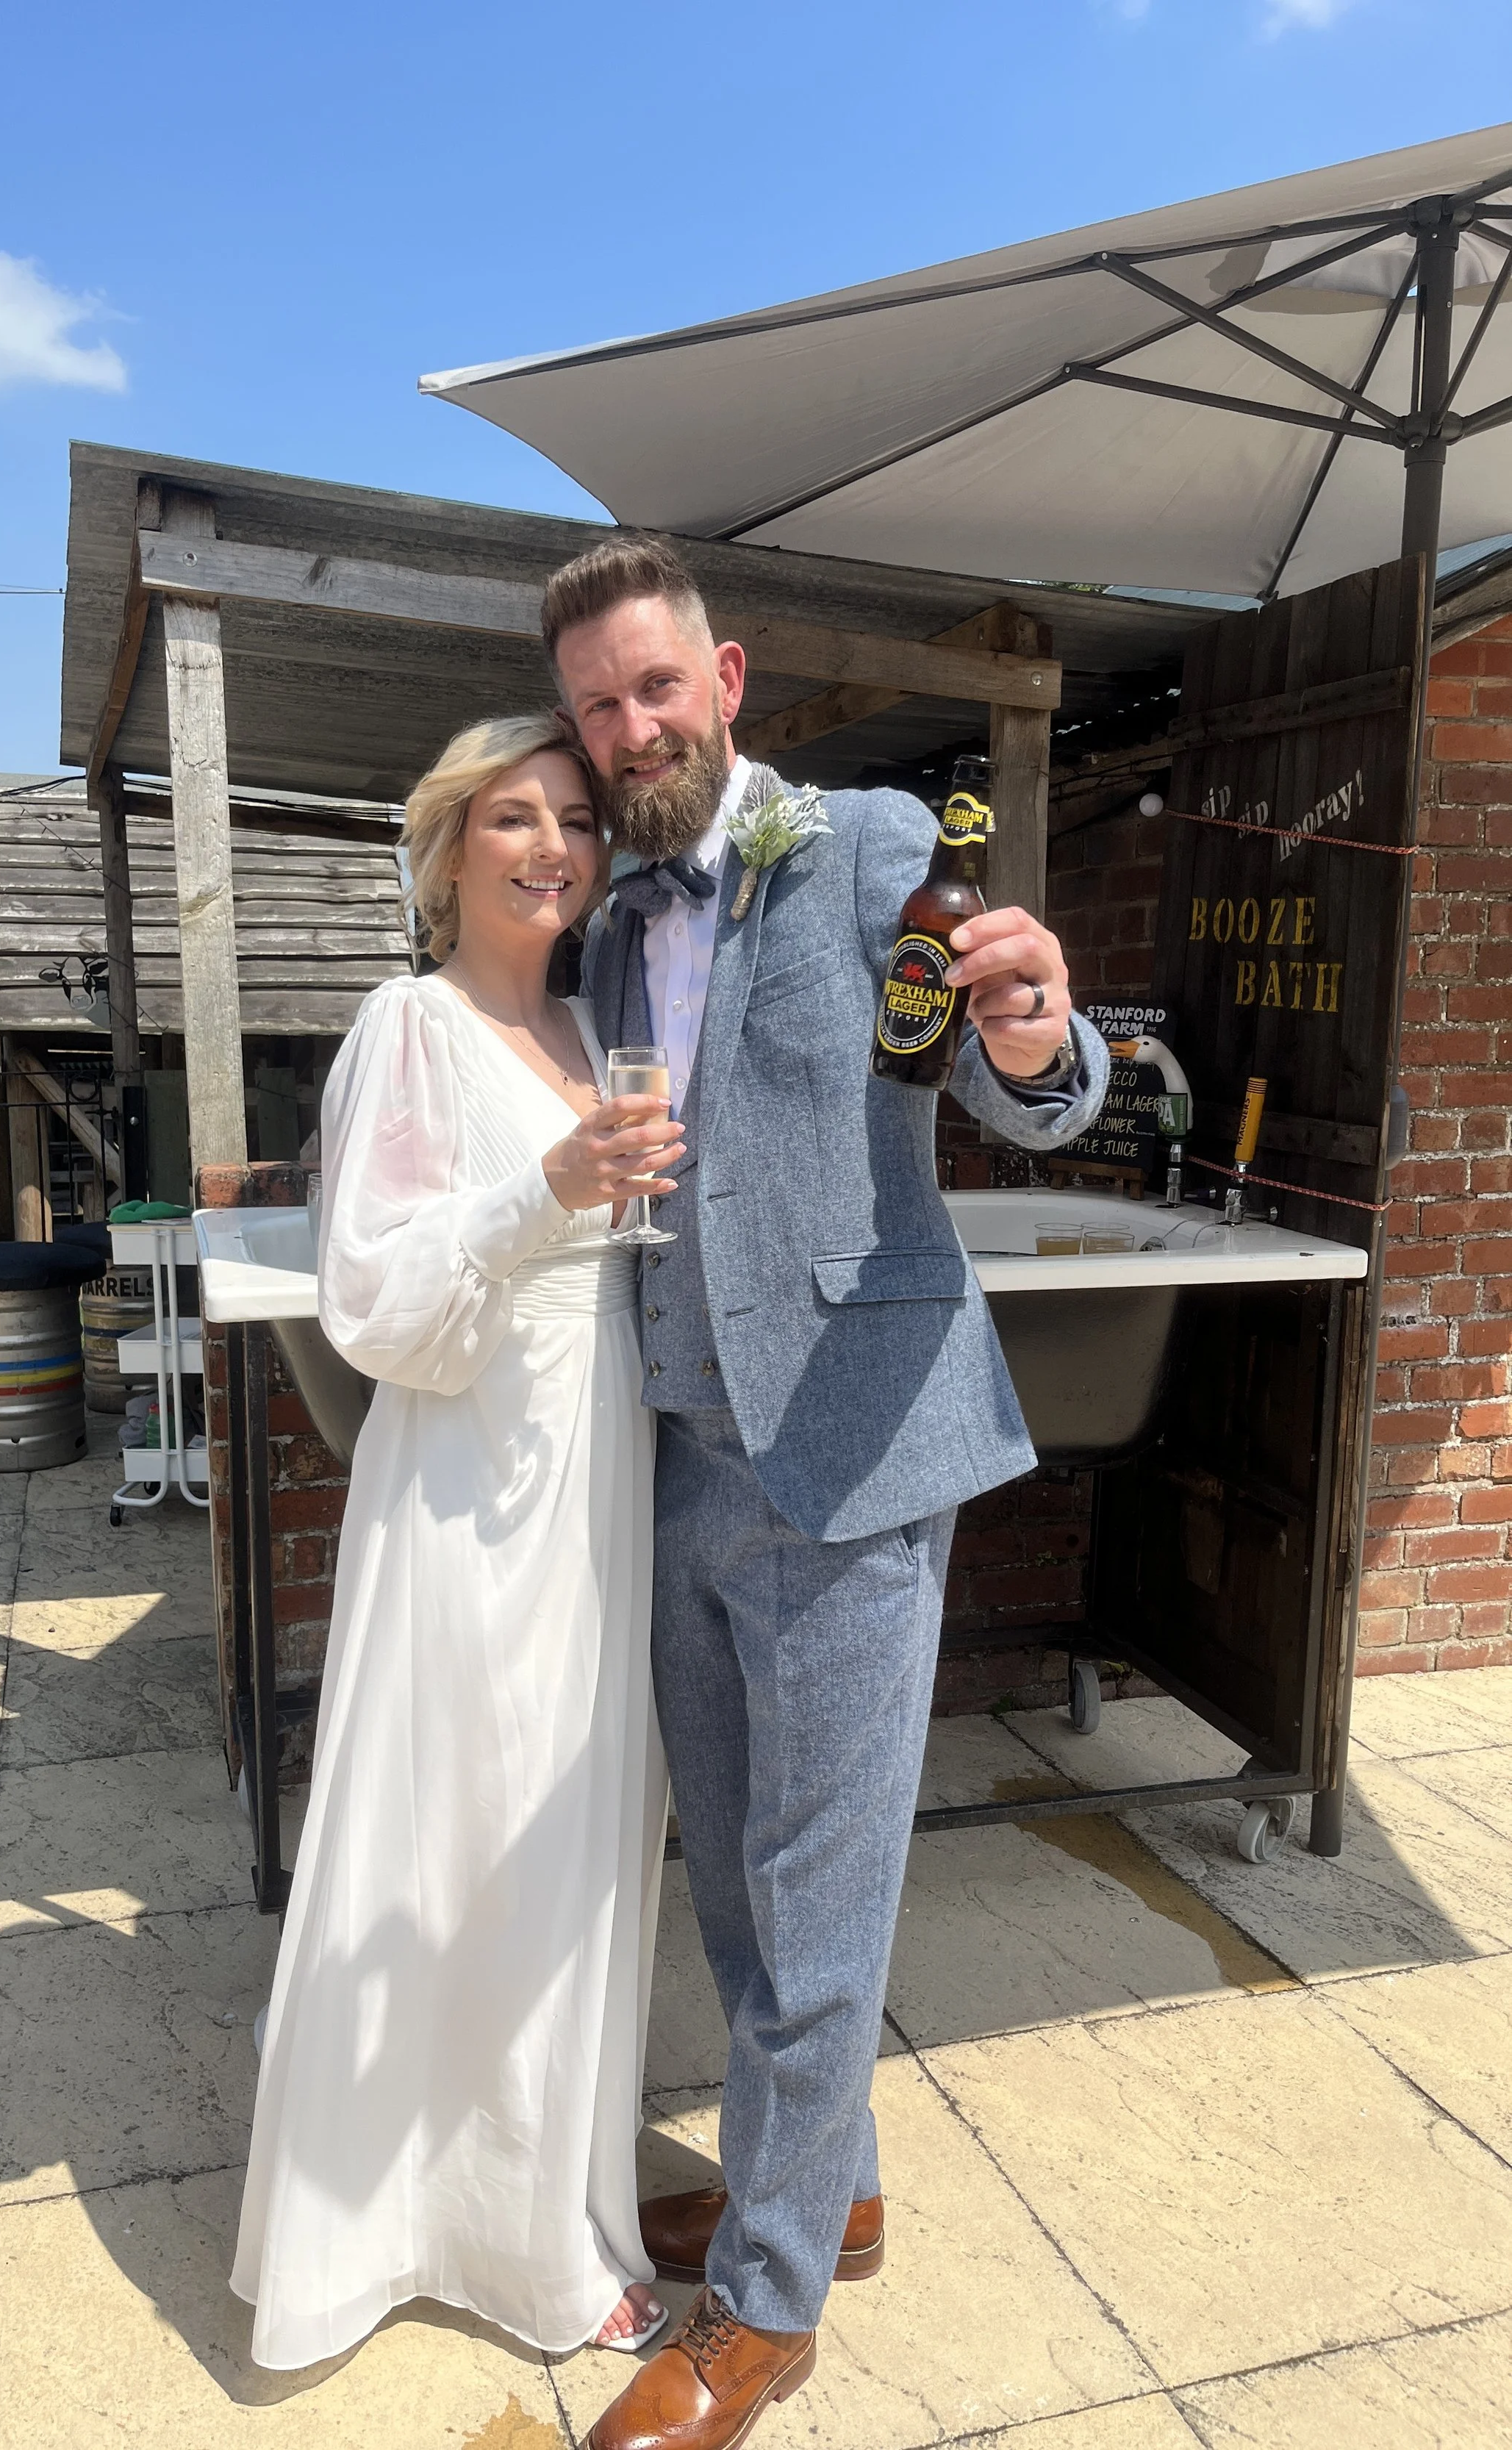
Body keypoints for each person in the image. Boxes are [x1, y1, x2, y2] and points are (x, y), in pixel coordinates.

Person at [548, 538, 1108, 2450]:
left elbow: (1017, 1056)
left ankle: (765, 2311)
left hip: (857, 1468)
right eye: (594, 707)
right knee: (736, 1875)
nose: (628, 729)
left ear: (725, 676)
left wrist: (1035, 1039)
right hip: (690, 1457)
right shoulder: (616, 925)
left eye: (651, 688)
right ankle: (832, 2183)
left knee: (821, 1895)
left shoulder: (866, 846)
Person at [232, 712, 685, 2368]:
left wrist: (616, 1192)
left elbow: (606, 1233)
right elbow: (369, 1302)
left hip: (597, 1468)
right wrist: (540, 1193)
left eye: (574, 817)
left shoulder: (591, 1018)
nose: (551, 845)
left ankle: (545, 2191)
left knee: (574, 1849)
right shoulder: (404, 1028)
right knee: (474, 1840)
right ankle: (490, 2242)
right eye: (513, 815)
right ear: (448, 845)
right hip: (471, 1485)